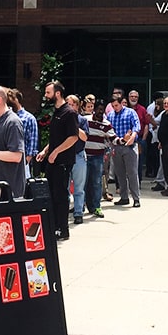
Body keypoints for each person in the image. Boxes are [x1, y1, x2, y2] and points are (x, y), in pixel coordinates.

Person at [35, 81, 78, 240]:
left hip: (62, 162)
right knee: (51, 194)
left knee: (60, 195)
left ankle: (62, 229)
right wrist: (46, 151)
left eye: (48, 92)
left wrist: (56, 152)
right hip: (52, 160)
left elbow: (73, 137)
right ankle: (53, 227)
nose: (46, 96)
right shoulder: (57, 111)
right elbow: (55, 138)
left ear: (57, 93)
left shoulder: (69, 112)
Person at [107, 92, 141, 207]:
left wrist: (133, 136)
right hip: (116, 146)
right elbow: (108, 131)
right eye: (113, 106)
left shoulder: (130, 112)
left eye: (116, 105)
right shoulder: (110, 115)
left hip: (129, 147)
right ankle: (124, 197)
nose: (115, 108)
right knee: (120, 173)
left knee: (132, 173)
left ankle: (136, 198)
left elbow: (137, 126)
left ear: (122, 103)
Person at [83, 98, 114, 218]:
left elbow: (114, 138)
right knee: (83, 183)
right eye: (98, 109)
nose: (100, 112)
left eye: (102, 110)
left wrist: (124, 140)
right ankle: (81, 206)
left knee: (96, 182)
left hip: (97, 156)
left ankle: (96, 207)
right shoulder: (85, 120)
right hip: (84, 156)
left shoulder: (106, 124)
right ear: (94, 110)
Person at [64, 95, 90, 225]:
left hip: (78, 155)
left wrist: (75, 126)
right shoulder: (62, 120)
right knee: (65, 187)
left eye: (73, 105)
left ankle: (78, 213)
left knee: (79, 188)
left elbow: (85, 138)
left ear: (77, 106)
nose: (70, 107)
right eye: (68, 104)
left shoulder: (82, 120)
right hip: (65, 156)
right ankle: (64, 212)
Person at [7, 88, 38, 181]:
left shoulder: (29, 118)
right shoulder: (3, 117)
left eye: (11, 100)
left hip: (22, 161)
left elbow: (32, 141)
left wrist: (27, 160)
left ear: (17, 100)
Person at [127, 90, 150, 181]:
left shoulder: (142, 109)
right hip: (126, 139)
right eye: (132, 96)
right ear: (129, 97)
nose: (134, 98)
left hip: (139, 139)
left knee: (139, 162)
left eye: (136, 97)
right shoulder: (124, 108)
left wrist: (143, 139)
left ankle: (138, 182)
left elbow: (146, 125)